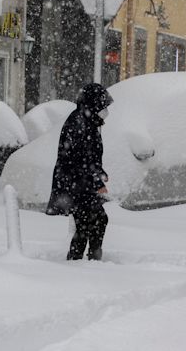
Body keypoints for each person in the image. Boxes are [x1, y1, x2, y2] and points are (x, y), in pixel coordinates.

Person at [46, 83, 113, 261]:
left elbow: (88, 156)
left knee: (86, 223)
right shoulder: (79, 123)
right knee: (96, 220)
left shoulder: (86, 121)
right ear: (93, 104)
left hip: (78, 183)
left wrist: (99, 173)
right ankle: (89, 259)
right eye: (103, 106)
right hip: (75, 184)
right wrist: (96, 179)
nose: (105, 111)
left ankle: (80, 259)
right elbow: (80, 158)